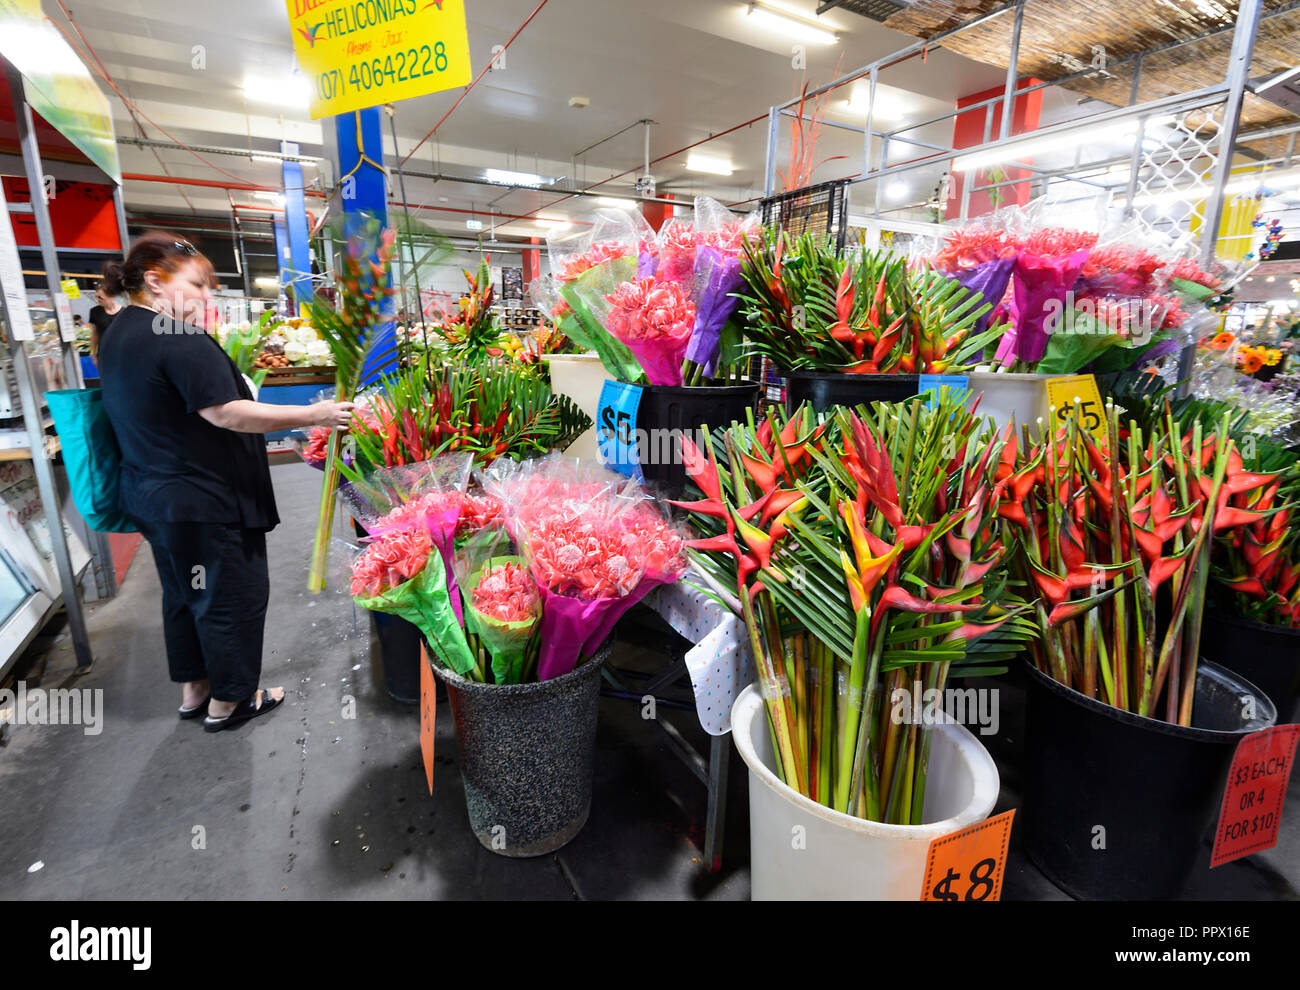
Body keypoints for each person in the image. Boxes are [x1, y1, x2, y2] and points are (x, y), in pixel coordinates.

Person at [97, 231, 354, 732]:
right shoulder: (177, 337)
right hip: (202, 497)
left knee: (185, 592)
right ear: (154, 281)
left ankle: (196, 692)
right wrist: (316, 412)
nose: (207, 298)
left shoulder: (121, 333)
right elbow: (226, 413)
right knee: (228, 594)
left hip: (154, 498)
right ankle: (233, 700)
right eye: (197, 285)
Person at [87, 278, 123, 359]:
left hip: (122, 355)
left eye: (100, 297)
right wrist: (93, 355)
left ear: (112, 296)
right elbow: (94, 335)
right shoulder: (94, 312)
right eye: (96, 297)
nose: (98, 300)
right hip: (103, 355)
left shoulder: (124, 313)